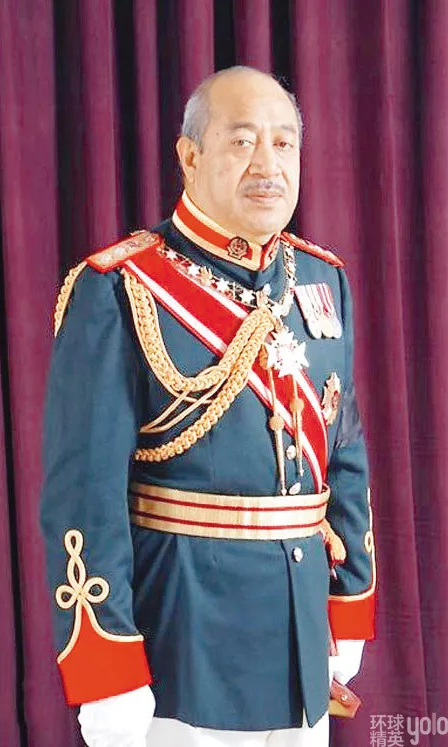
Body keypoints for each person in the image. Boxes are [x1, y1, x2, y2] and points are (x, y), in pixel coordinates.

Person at [41, 66, 376, 747]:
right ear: (189, 156)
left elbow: (344, 455)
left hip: (301, 646)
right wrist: (108, 672)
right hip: (184, 654)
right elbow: (84, 498)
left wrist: (349, 607)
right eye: (243, 141)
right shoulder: (119, 288)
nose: (268, 166)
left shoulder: (321, 279)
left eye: (284, 144)